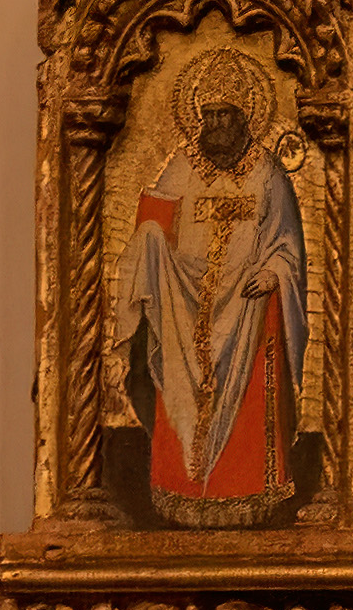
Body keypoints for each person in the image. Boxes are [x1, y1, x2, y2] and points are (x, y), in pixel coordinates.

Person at [126, 69, 307, 523]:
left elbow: (288, 243)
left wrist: (273, 272)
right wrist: (151, 239)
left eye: (225, 114)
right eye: (209, 115)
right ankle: (183, 491)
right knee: (178, 372)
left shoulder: (267, 172)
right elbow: (155, 224)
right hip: (186, 307)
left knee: (255, 367)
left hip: (248, 311)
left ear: (244, 116)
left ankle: (246, 491)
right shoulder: (181, 167)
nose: (216, 124)